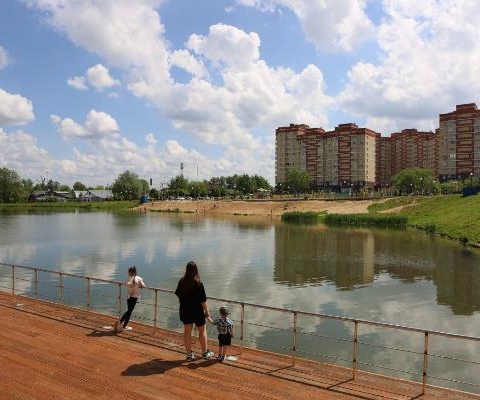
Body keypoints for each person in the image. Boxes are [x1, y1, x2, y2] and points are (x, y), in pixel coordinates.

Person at [175, 261, 214, 361]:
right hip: (197, 311)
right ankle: (205, 352)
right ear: (196, 270)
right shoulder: (198, 283)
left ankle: (189, 354)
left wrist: (182, 306)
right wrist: (207, 311)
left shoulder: (181, 281)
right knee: (202, 330)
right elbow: (203, 301)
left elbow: (179, 297)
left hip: (185, 310)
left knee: (187, 332)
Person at [115, 266, 145, 333]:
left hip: (128, 297)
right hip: (134, 297)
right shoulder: (138, 278)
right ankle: (121, 322)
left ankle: (123, 325)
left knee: (129, 311)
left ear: (131, 272)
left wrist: (130, 285)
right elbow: (143, 285)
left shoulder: (129, 278)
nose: (128, 273)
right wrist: (140, 286)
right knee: (129, 311)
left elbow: (125, 283)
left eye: (128, 272)